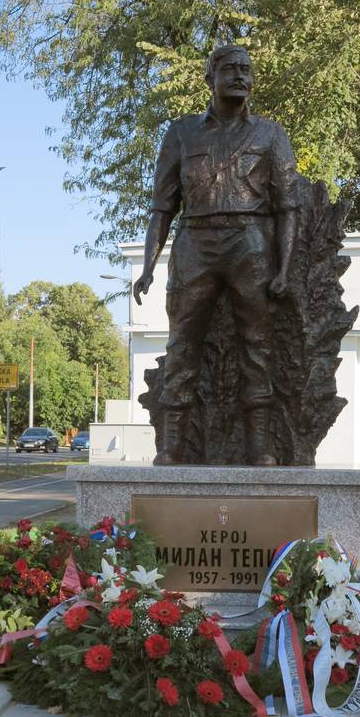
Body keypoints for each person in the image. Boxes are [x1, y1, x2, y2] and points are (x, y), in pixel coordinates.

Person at [134, 44, 298, 465]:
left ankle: (259, 445)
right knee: (182, 342)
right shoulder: (181, 133)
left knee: (256, 344)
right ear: (210, 78)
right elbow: (162, 206)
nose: (241, 75)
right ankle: (172, 446)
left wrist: (282, 267)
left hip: (251, 240)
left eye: (247, 68)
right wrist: (149, 266)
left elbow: (287, 207)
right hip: (195, 242)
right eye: (230, 69)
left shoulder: (271, 133)